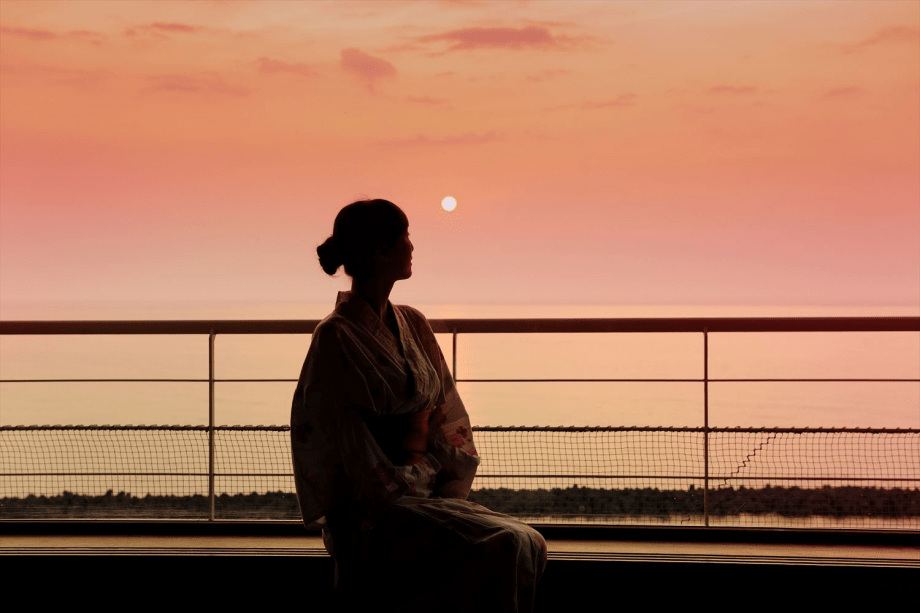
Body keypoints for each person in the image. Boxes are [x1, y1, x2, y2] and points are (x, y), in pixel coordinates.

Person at [291, 199, 547, 611]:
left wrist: (444, 483)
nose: (412, 246)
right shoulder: (335, 336)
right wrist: (376, 509)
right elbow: (333, 440)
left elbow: (446, 407)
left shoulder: (413, 322)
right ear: (380, 250)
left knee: (528, 540)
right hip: (376, 507)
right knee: (506, 543)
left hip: (426, 489)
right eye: (405, 237)